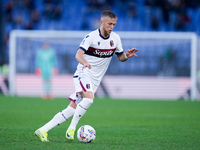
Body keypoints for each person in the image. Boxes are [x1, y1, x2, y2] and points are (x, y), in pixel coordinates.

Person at [34, 10, 138, 142]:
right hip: (83, 73)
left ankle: (42, 130)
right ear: (101, 22)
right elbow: (78, 55)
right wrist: (85, 63)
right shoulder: (91, 37)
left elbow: (120, 57)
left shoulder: (116, 39)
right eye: (109, 24)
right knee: (89, 99)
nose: (111, 27)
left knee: (71, 109)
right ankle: (71, 129)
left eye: (114, 24)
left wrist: (127, 56)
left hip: (95, 80)